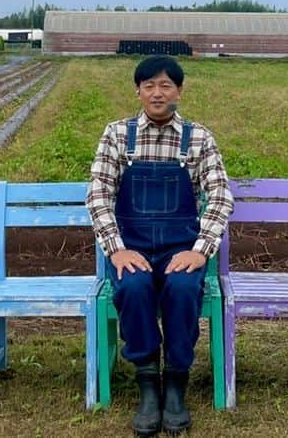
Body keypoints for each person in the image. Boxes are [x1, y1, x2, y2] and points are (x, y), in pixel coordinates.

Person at [86, 55, 234, 436]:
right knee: (133, 287)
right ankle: (147, 383)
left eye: (166, 85)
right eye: (149, 85)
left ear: (179, 92)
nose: (157, 93)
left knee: (184, 290)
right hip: (131, 247)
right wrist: (116, 249)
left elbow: (219, 197)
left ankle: (176, 385)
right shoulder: (118, 135)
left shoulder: (198, 138)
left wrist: (199, 250)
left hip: (180, 248)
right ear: (137, 91)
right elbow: (99, 194)